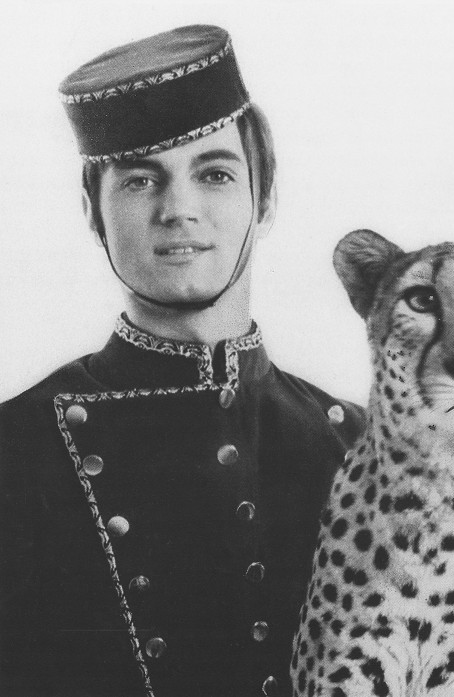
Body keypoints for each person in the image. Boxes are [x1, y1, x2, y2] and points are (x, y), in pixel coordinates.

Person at [0, 24, 364, 697]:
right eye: (140, 182)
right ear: (92, 213)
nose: (179, 210)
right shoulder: (13, 448)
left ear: (266, 198)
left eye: (215, 174)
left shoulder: (363, 446)